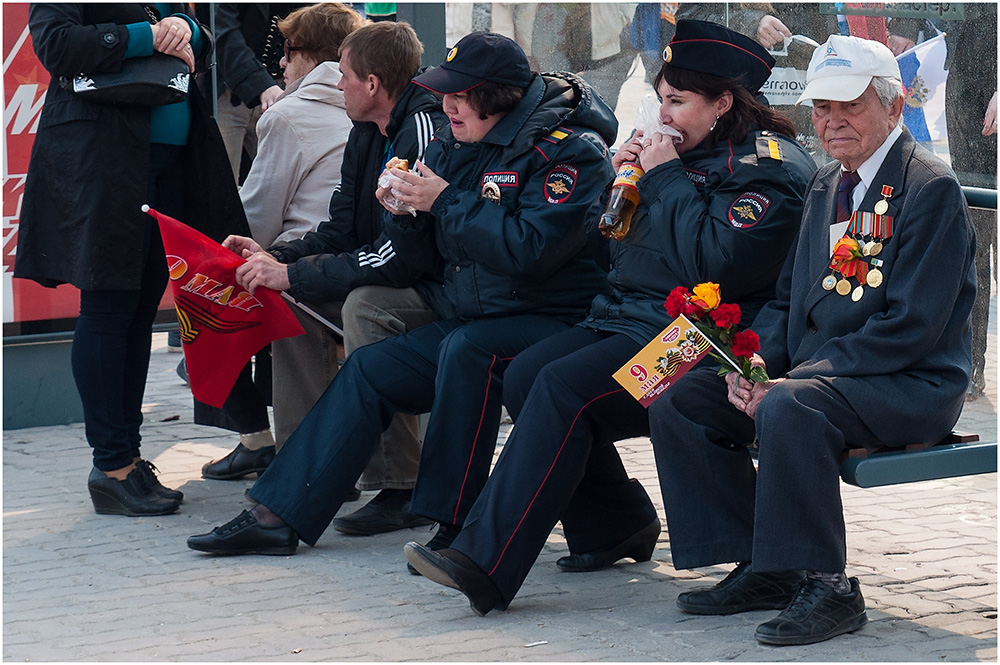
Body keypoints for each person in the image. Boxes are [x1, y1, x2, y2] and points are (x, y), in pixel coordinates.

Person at [403, 20, 817, 616]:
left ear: (723, 103)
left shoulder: (766, 168)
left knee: (561, 387)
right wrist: (627, 184)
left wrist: (665, 176)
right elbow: (620, 249)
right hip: (633, 320)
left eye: (679, 101)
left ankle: (484, 561)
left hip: (709, 340)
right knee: (526, 373)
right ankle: (612, 523)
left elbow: (716, 262)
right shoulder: (683, 155)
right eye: (661, 99)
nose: (664, 113)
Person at [186, 31, 615, 556]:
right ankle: (277, 514)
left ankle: (452, 527)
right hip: (477, 312)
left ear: (498, 96)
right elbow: (414, 247)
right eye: (445, 93)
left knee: (464, 353)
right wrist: (401, 214)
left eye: (459, 95)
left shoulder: (573, 151)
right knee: (371, 370)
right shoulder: (454, 140)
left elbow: (530, 250)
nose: (447, 105)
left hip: (555, 317)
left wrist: (443, 202)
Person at [646, 35, 975, 646]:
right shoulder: (829, 183)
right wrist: (749, 364)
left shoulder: (930, 189)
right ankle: (766, 565)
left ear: (894, 106)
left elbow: (909, 329)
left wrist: (791, 379)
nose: (832, 122)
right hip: (827, 375)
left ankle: (829, 587)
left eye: (849, 106)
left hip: (909, 382)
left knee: (788, 407)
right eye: (822, 108)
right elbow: (785, 303)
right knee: (683, 397)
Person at [207, 20, 446, 533]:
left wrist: (297, 272)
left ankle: (399, 481)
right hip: (389, 269)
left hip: (437, 286)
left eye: (346, 76)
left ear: (374, 84)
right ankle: (301, 473)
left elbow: (403, 256)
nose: (337, 84)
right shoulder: (365, 130)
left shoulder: (420, 130)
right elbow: (340, 228)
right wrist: (281, 260)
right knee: (290, 298)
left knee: (366, 306)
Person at [15, 4, 248, 516]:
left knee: (139, 311)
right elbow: (56, 46)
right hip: (107, 160)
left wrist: (186, 29)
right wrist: (147, 36)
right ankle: (112, 463)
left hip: (165, 161)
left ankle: (127, 455)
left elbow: (201, 42)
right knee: (109, 308)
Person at [199, 2, 362, 481]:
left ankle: (267, 446)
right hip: (356, 262)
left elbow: (257, 223)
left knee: (203, 289)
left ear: (306, 55)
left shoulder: (290, 114)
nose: (281, 65)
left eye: (285, 53)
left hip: (311, 270)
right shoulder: (373, 109)